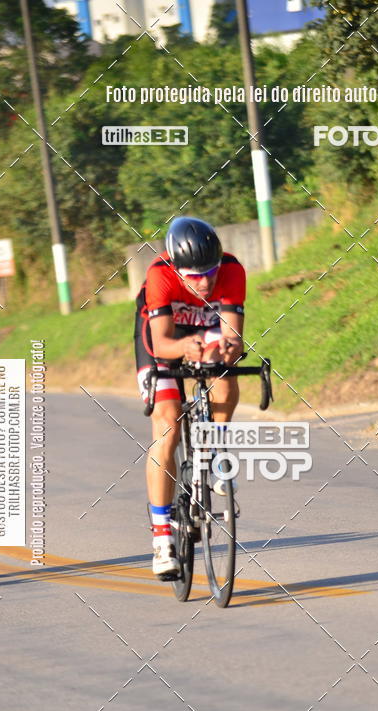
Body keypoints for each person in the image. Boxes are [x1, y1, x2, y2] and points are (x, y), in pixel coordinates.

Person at [134, 217, 245, 577]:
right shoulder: (160, 274)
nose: (205, 282)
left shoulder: (231, 270)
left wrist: (228, 349)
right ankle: (162, 538)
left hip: (206, 330)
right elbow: (162, 343)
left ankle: (215, 452)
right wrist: (184, 348)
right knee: (168, 425)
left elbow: (232, 336)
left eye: (210, 272)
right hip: (163, 338)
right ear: (177, 268)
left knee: (224, 373)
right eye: (194, 276)